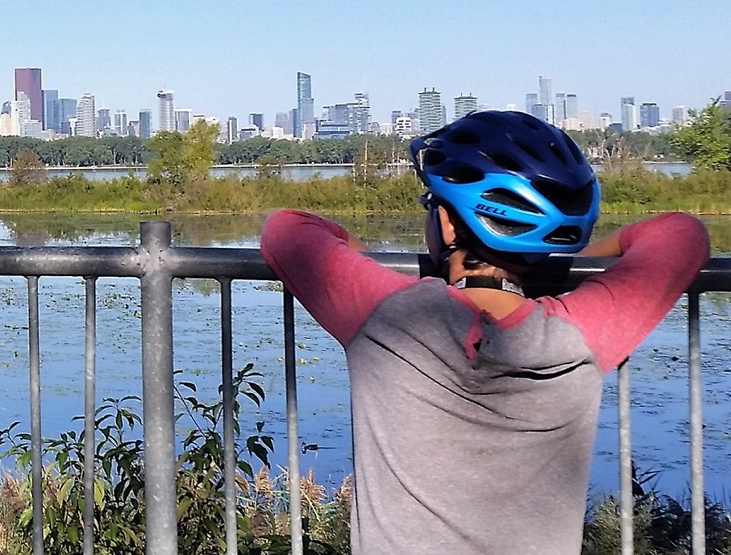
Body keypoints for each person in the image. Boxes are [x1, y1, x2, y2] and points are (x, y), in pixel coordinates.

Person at [260, 110, 709, 554]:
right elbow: (679, 232)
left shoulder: (387, 313)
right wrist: (572, 267)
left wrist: (369, 260)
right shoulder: (578, 334)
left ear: (449, 224)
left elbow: (287, 229)